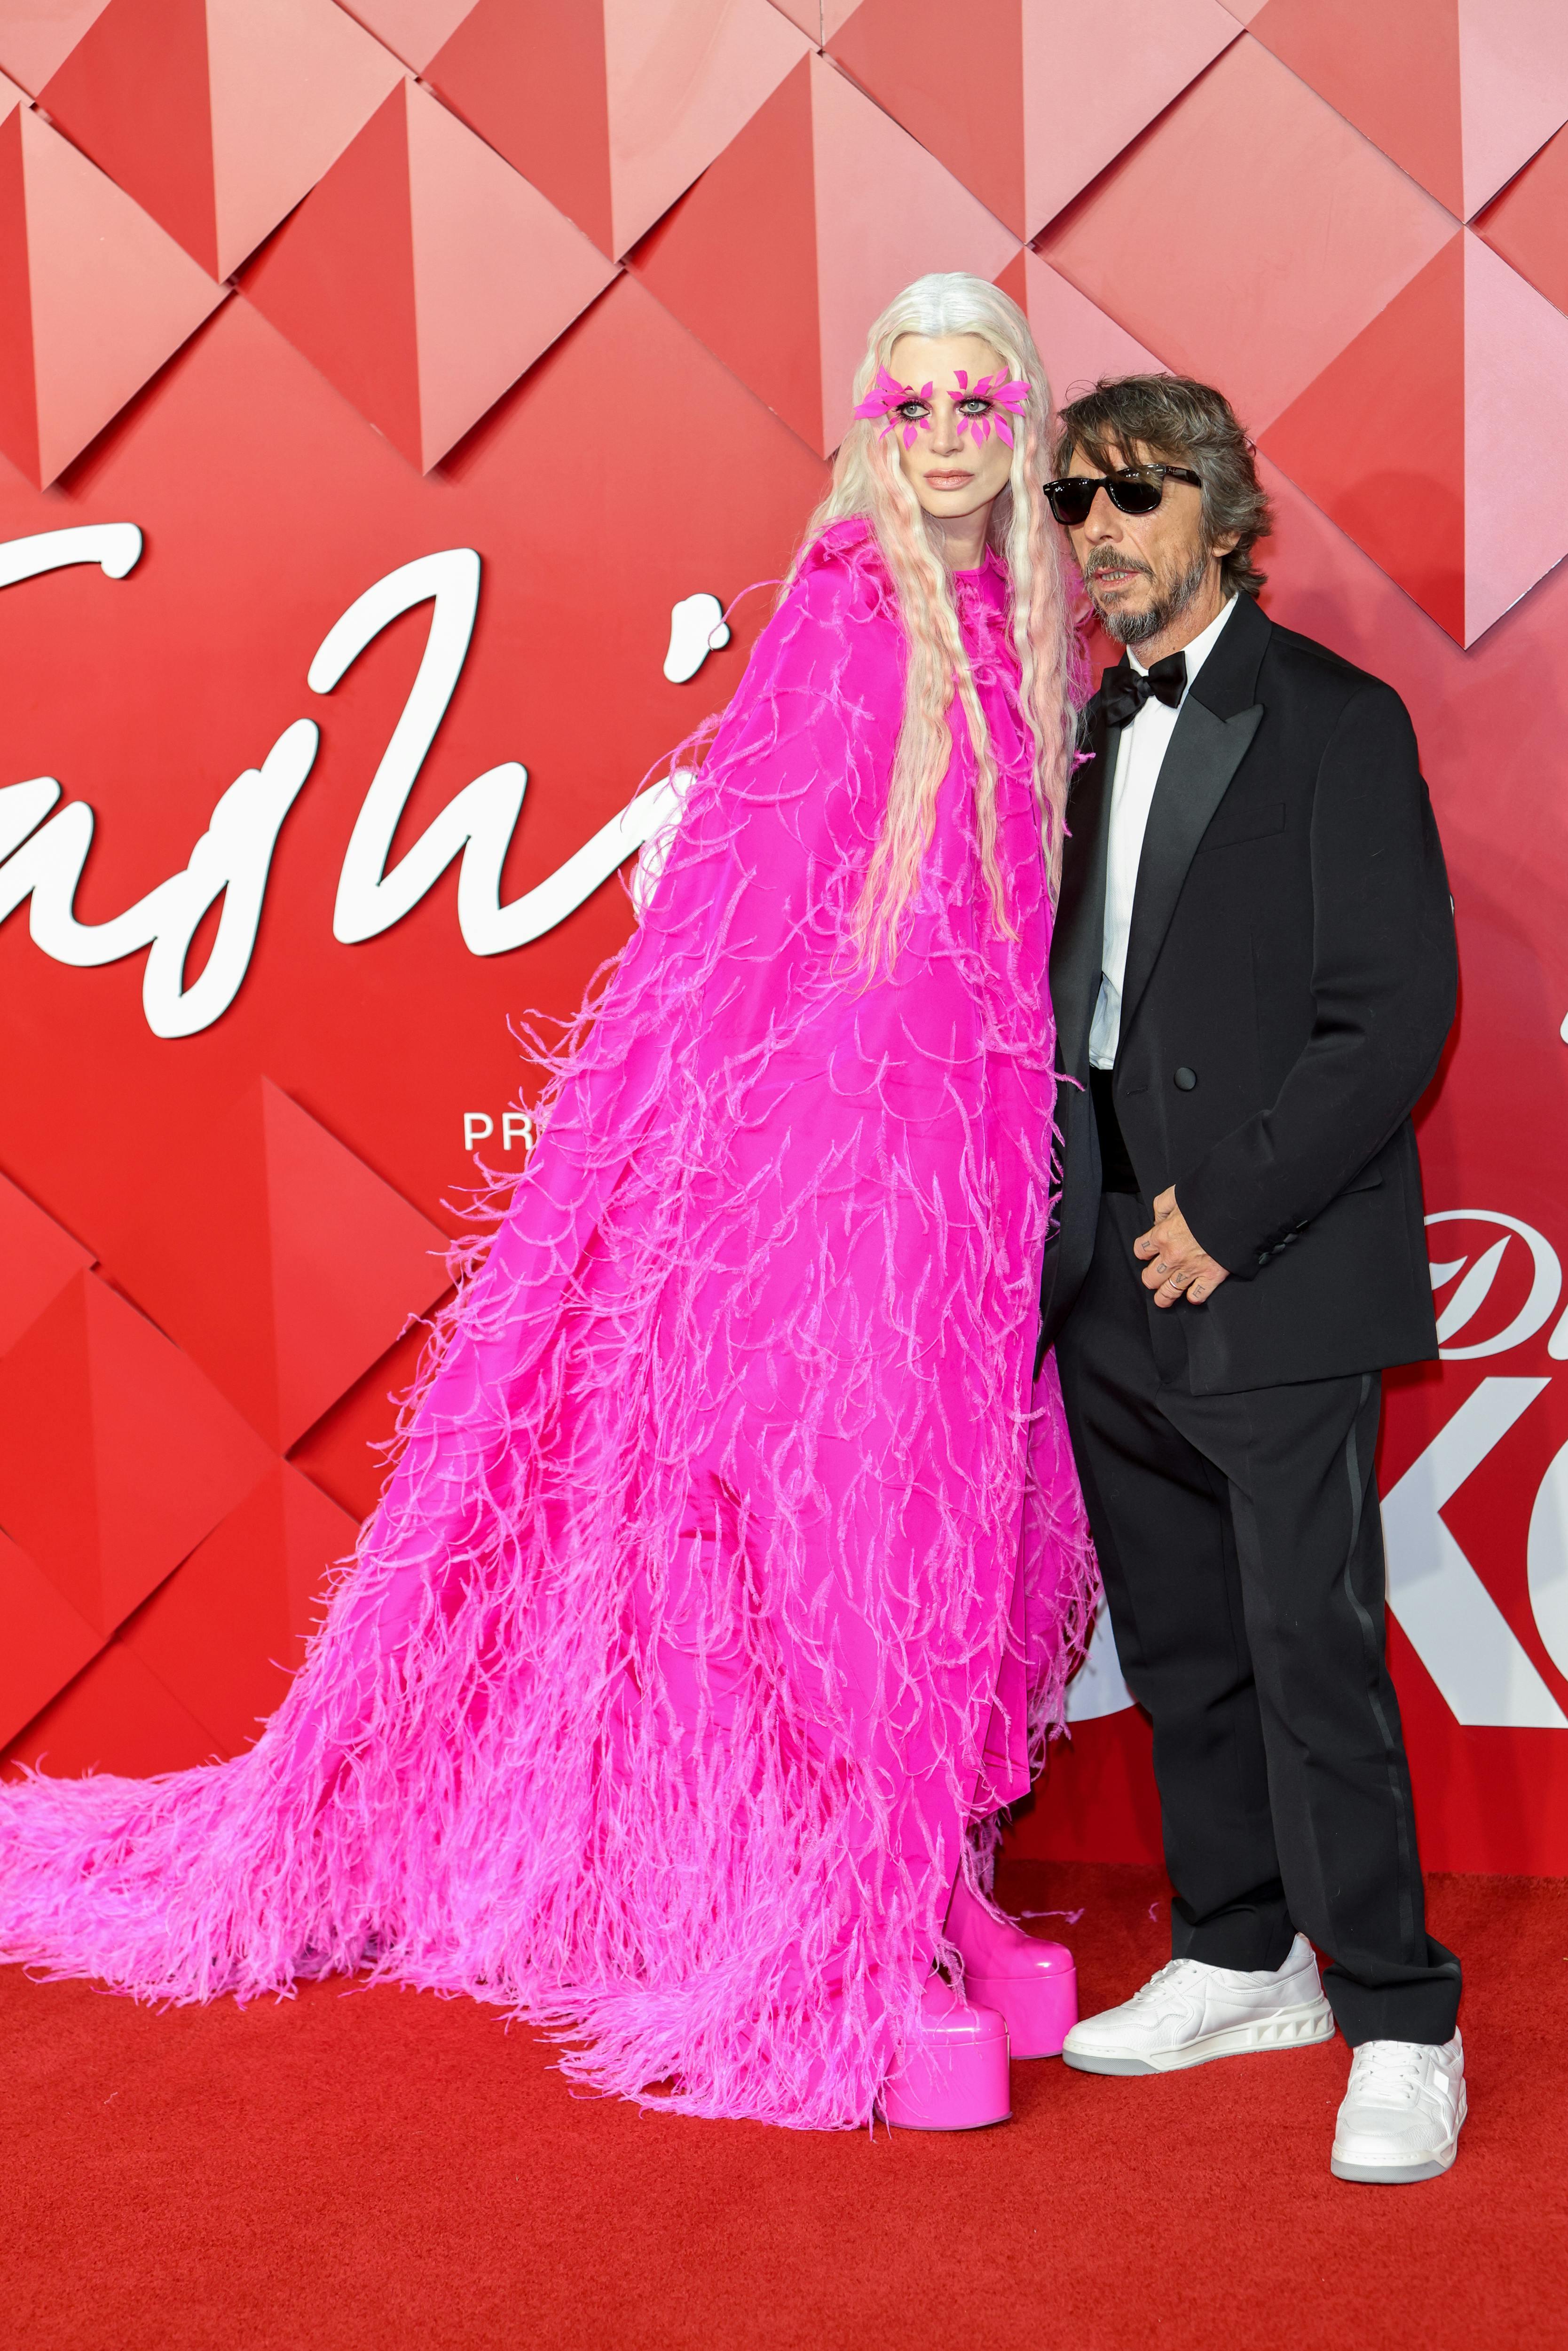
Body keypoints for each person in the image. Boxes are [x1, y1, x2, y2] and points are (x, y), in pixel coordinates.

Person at [0, 275, 1095, 2133]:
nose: (940, 442)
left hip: (964, 1179)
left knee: (951, 1526)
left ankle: (927, 1874)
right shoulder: (844, 617)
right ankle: (851, 1914)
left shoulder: (1032, 631)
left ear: (1027, 428)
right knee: (837, 1536)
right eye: (908, 407)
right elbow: (749, 931)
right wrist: (739, 1186)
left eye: (976, 406)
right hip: (823, 1174)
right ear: (868, 425)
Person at [1038, 373, 1464, 2183]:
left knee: (1311, 1649)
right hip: (1107, 1261)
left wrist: (1229, 1213)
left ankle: (1400, 2014)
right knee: (1188, 1645)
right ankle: (1237, 1949)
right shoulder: (1077, 729)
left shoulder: (1336, 724)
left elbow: (1392, 1020)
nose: (1099, 534)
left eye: (1132, 497)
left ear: (1225, 513)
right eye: (1075, 504)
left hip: (1261, 1257)